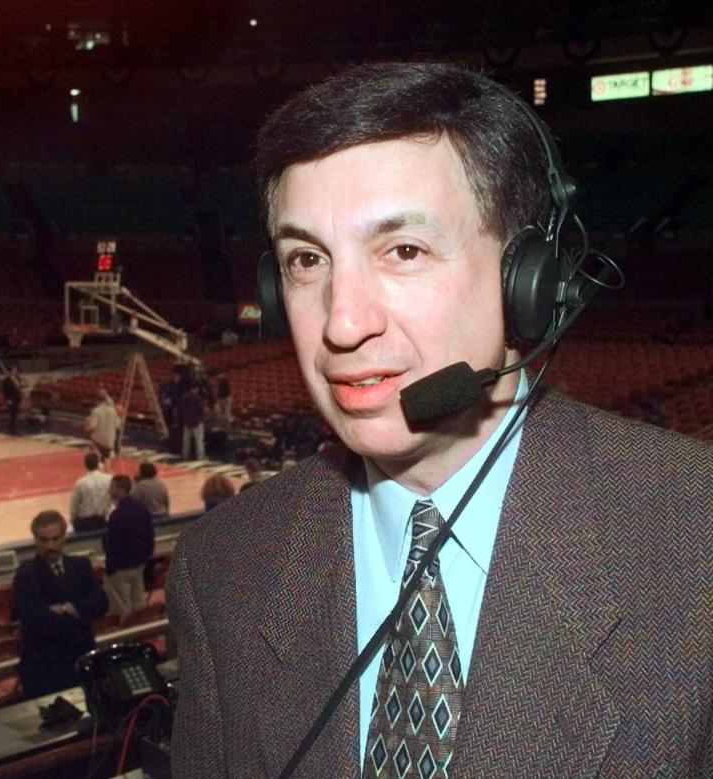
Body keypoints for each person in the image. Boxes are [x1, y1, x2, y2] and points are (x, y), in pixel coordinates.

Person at [166, 62, 713, 778]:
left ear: (530, 282)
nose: (342, 320)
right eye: (306, 259)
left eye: (404, 250)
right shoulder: (221, 568)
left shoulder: (694, 542)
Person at [12, 510, 108, 699]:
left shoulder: (81, 566)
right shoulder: (25, 576)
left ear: (64, 537)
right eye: (44, 540)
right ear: (35, 539)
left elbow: (102, 603)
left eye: (55, 539)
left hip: (81, 662)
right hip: (44, 670)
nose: (50, 545)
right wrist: (79, 611)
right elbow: (36, 620)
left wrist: (65, 609)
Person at [103, 475, 155, 623]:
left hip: (120, 568)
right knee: (139, 604)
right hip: (139, 564)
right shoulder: (142, 509)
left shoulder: (117, 515)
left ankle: (127, 638)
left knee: (122, 608)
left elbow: (113, 544)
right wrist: (146, 558)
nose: (109, 490)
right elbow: (149, 535)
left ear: (120, 490)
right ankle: (142, 633)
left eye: (112, 487)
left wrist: (110, 568)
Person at [69, 451, 113, 533]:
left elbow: (74, 507)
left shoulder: (80, 483)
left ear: (85, 465)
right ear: (99, 464)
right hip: (102, 520)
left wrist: (73, 520)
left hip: (84, 523)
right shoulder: (109, 479)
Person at [85, 387, 120, 464]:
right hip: (110, 439)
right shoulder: (113, 410)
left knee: (95, 451)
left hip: (99, 440)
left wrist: (87, 424)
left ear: (97, 401)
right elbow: (118, 425)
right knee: (107, 458)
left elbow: (92, 426)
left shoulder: (96, 411)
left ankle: (95, 466)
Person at [177, 382, 206, 461]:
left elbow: (180, 409)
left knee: (186, 440)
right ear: (196, 389)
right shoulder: (197, 398)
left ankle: (185, 455)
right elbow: (201, 410)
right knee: (199, 440)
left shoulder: (184, 397)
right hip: (196, 422)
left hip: (187, 421)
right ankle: (200, 456)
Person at [1, 366, 23, 436]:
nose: (15, 371)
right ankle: (14, 431)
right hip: (11, 399)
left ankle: (10, 427)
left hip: (17, 398)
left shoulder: (18, 378)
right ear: (10, 371)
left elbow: (19, 388)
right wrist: (8, 399)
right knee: (13, 414)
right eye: (13, 370)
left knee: (15, 414)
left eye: (15, 370)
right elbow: (5, 391)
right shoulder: (6, 380)